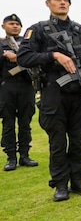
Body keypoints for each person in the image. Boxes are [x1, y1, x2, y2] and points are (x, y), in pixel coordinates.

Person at [18, 0, 81, 202]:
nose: (62, 2)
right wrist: (53, 55)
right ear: (48, 3)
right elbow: (23, 57)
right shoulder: (37, 30)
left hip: (79, 93)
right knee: (57, 143)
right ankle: (60, 185)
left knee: (77, 140)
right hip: (53, 93)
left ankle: (78, 181)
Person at [1, 14, 38, 171]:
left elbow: (36, 59)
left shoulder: (27, 43)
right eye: (11, 23)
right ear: (4, 26)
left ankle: (24, 155)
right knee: (8, 123)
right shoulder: (1, 44)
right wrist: (3, 55)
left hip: (26, 86)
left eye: (18, 24)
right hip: (6, 87)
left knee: (25, 122)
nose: (15, 26)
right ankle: (11, 158)